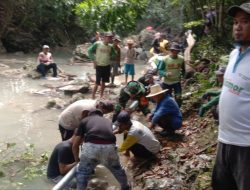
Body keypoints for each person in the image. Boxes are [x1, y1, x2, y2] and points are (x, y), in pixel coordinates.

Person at [212, 3, 250, 190]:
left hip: (246, 146)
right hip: (224, 140)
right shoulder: (234, 53)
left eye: (245, 21)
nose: (238, 26)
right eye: (235, 22)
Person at [72, 109, 130, 190]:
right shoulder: (108, 121)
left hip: (91, 147)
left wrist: (77, 160)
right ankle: (125, 187)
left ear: (90, 115)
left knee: (82, 173)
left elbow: (75, 144)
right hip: (109, 146)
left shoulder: (85, 120)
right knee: (117, 169)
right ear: (101, 115)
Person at [88, 32, 117, 99]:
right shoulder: (97, 44)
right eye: (108, 37)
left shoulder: (110, 46)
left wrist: (110, 56)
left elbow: (115, 54)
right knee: (97, 82)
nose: (109, 38)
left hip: (107, 66)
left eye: (110, 37)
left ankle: (101, 95)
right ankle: (93, 96)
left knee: (104, 82)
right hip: (99, 65)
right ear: (104, 37)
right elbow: (89, 51)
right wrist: (94, 60)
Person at [158, 42, 185, 106]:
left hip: (176, 81)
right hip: (166, 82)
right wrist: (165, 73)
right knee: (168, 99)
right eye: (174, 50)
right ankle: (170, 111)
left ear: (178, 51)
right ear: (171, 50)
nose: (175, 52)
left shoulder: (181, 59)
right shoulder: (165, 59)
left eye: (177, 51)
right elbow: (159, 71)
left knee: (178, 97)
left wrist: (184, 77)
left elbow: (183, 69)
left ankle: (178, 110)